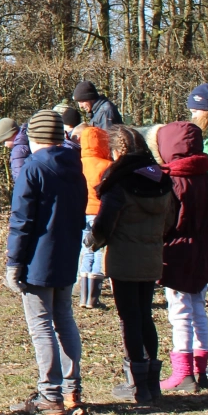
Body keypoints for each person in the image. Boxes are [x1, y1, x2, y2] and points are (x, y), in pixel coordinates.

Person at [4, 109, 87, 415]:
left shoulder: (32, 168)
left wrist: (14, 262)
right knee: (64, 320)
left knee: (41, 326)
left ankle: (49, 395)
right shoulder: (74, 166)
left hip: (38, 258)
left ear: (34, 137)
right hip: (67, 254)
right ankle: (71, 391)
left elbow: (22, 219)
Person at [88, 125, 174, 406]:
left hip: (124, 257)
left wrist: (93, 241)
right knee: (145, 315)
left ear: (118, 150)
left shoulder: (119, 182)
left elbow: (104, 223)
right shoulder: (161, 179)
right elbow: (171, 220)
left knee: (129, 319)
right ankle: (151, 382)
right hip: (151, 256)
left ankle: (136, 384)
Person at [155, 120, 208, 393]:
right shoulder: (207, 177)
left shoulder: (172, 180)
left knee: (179, 312)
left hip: (178, 250)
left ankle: (183, 373)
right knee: (199, 309)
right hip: (203, 248)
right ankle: (199, 370)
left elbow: (167, 221)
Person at [76, 125, 113, 309]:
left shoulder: (77, 163)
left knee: (86, 249)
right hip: (99, 212)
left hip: (82, 211)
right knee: (99, 250)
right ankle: (93, 297)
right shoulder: (107, 165)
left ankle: (83, 295)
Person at [0, 118, 28, 183]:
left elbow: (21, 180)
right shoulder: (29, 138)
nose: (5, 145)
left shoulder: (18, 151)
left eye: (5, 141)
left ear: (11, 135)